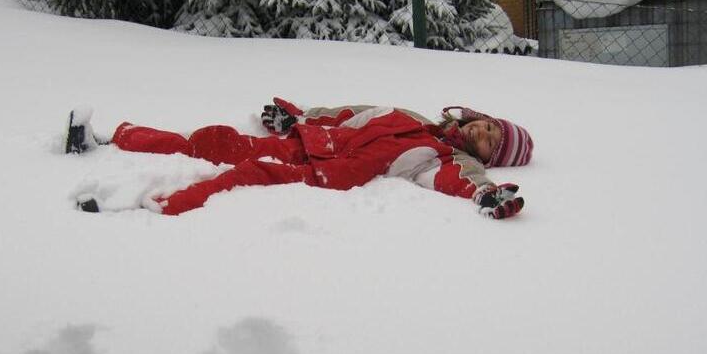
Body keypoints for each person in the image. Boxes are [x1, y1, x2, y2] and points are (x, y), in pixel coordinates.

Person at [66, 97, 533, 219]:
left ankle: (147, 207)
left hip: (324, 173)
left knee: (246, 175)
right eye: (488, 124)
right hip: (306, 143)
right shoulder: (409, 115)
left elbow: (460, 179)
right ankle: (112, 139)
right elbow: (350, 113)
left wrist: (488, 194)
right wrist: (297, 117)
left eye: (492, 141)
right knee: (215, 141)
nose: (482, 133)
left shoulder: (439, 156)